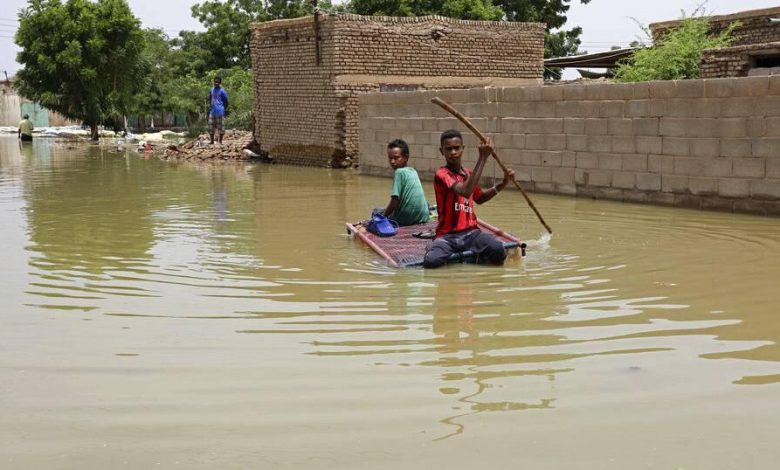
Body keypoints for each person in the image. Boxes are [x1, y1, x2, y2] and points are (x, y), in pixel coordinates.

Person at [423, 129, 515, 269]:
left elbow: (480, 198)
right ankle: (434, 245)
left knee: (497, 250)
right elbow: (465, 191)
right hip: (447, 236)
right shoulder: (442, 174)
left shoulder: (469, 174)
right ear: (442, 151)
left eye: (456, 148)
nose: (453, 152)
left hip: (471, 234)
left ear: (462, 149)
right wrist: (483, 157)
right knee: (431, 261)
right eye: (448, 149)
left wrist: (502, 184)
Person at [381, 139, 430, 226]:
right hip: (423, 217)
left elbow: (394, 201)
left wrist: (383, 216)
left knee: (377, 212)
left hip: (406, 220)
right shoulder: (413, 171)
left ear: (406, 158)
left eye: (396, 158)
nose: (392, 162)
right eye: (390, 158)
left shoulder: (399, 172)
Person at [207, 75, 229, 145]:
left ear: (220, 83)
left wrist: (223, 108)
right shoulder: (211, 90)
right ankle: (212, 141)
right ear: (213, 82)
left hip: (220, 111)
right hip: (212, 111)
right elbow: (210, 97)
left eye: (218, 82)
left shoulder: (222, 91)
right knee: (211, 127)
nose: (216, 83)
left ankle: (220, 142)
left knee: (221, 128)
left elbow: (227, 101)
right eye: (215, 82)